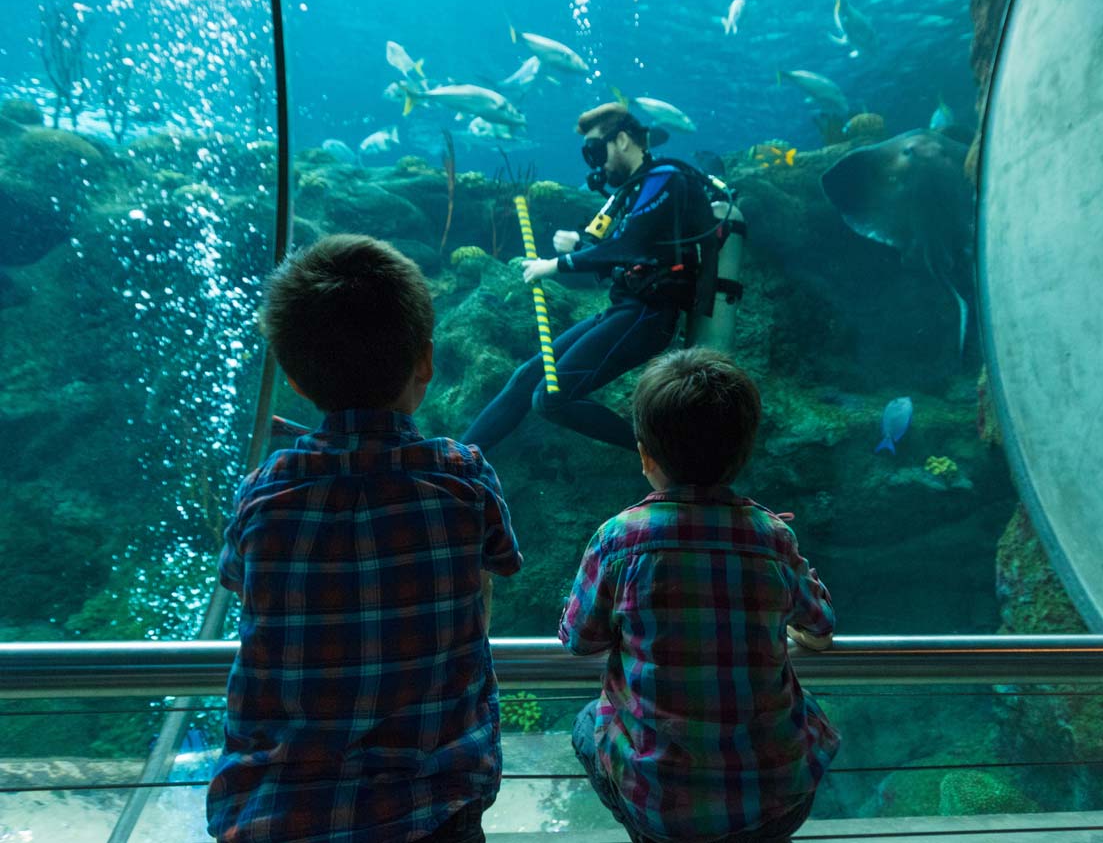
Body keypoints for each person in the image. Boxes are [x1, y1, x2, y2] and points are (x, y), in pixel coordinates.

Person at [206, 234, 523, 843]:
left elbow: (243, 589)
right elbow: (494, 570)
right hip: (434, 807)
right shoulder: (462, 476)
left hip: (276, 813)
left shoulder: (262, 493)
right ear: (426, 361)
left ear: (295, 379)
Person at [559, 348, 839, 843]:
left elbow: (580, 640)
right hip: (777, 797)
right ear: (745, 450)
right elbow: (820, 624)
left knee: (587, 724)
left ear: (645, 455)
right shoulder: (772, 537)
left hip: (663, 810)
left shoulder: (618, 539)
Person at [462, 102, 717, 453]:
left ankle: (661, 454)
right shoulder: (631, 192)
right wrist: (577, 244)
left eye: (596, 150)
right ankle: (455, 461)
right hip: (625, 309)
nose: (596, 163)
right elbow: (608, 249)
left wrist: (556, 264)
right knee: (525, 379)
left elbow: (628, 246)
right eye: (588, 154)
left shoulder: (665, 178)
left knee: (550, 399)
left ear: (623, 140)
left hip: (649, 315)